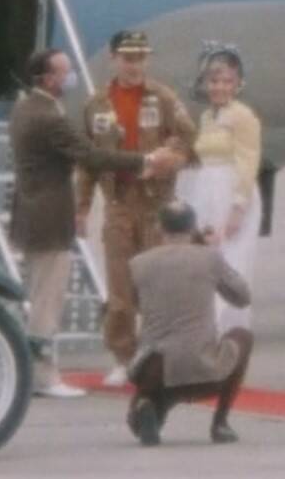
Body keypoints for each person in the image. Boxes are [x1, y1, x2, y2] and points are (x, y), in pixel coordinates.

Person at [9, 48, 180, 399]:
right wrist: (144, 159)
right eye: (64, 71)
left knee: (41, 293)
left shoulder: (25, 107)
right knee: (47, 299)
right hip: (48, 217)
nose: (70, 77)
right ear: (48, 78)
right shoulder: (48, 117)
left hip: (32, 213)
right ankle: (44, 375)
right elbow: (91, 156)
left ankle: (39, 370)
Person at [76, 30, 197, 387]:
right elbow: (88, 161)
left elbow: (188, 136)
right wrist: (81, 206)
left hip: (156, 204)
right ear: (114, 59)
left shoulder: (162, 98)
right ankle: (122, 356)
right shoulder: (97, 105)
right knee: (120, 289)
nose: (135, 65)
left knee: (158, 285)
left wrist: (168, 156)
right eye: (128, 58)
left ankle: (162, 354)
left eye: (141, 57)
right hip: (118, 204)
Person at [127, 201, 253, 446]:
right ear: (193, 227)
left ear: (159, 228)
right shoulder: (209, 258)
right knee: (243, 336)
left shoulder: (139, 264)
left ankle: (146, 405)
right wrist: (208, 253)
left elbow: (130, 305)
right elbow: (242, 297)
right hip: (203, 370)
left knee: (156, 384)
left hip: (156, 369)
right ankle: (220, 423)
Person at [176, 42, 262, 332]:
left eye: (228, 82)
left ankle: (231, 332)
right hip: (206, 191)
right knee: (206, 259)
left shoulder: (243, 116)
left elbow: (248, 161)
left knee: (232, 263)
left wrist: (239, 207)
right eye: (214, 81)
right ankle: (205, 331)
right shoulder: (206, 117)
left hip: (232, 190)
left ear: (238, 84)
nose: (220, 87)